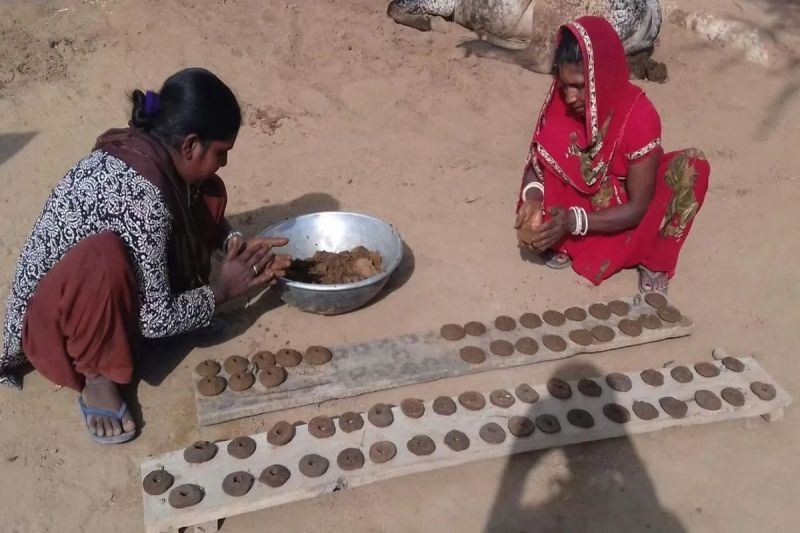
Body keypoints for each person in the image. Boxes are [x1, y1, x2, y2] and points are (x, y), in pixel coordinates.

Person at [0, 68, 292, 444]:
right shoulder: (143, 200)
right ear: (190, 145)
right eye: (221, 152)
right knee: (104, 259)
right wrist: (221, 290)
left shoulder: (153, 149)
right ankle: (97, 375)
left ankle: (176, 312)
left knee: (206, 190)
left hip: (108, 279)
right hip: (54, 320)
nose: (224, 163)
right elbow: (155, 319)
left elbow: (185, 214)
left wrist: (231, 240)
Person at [514, 16, 710, 293]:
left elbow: (638, 207)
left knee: (693, 169)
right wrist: (532, 198)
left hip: (622, 216)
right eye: (565, 84)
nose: (570, 97)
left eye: (581, 86)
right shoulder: (562, 101)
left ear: (602, 76)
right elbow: (540, 162)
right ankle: (562, 239)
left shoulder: (640, 116)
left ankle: (653, 260)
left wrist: (573, 221)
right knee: (561, 151)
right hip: (580, 209)